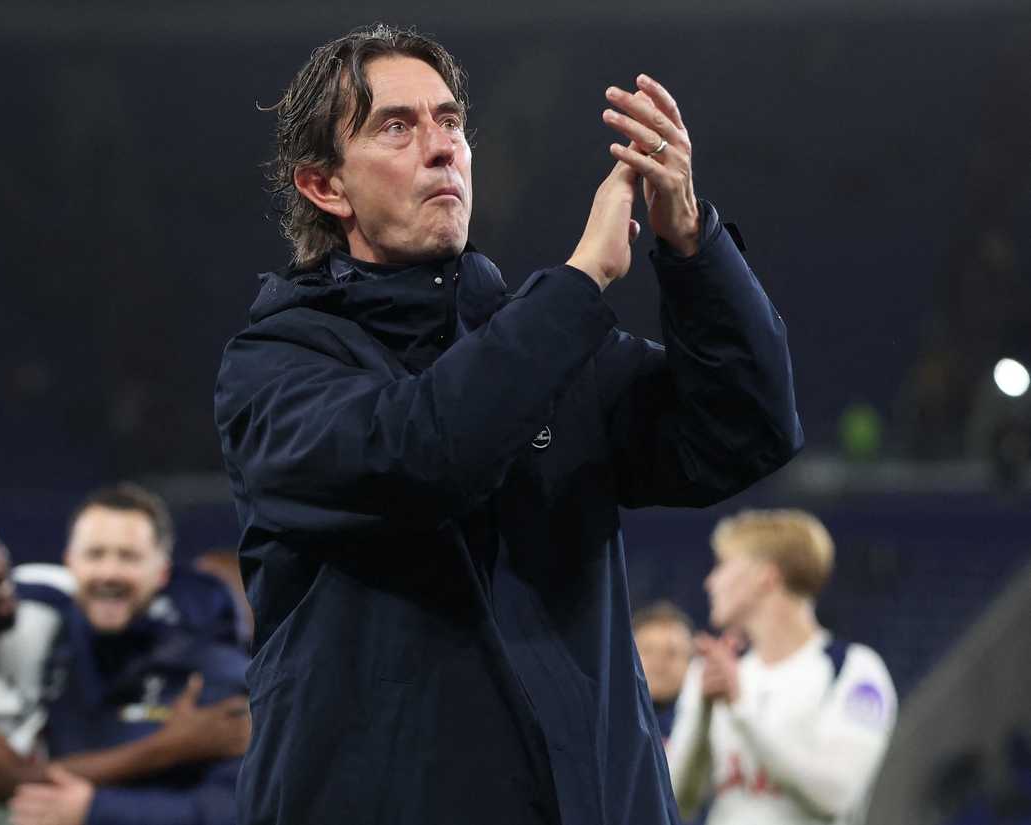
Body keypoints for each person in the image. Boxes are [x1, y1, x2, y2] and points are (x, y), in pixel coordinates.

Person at [212, 23, 802, 825]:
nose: (441, 147)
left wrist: (691, 243)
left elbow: (748, 428)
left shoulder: (541, 340)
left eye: (450, 122)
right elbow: (425, 453)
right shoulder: (276, 364)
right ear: (325, 187)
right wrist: (585, 277)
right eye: (397, 125)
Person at [0, 497, 249, 825]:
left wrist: (225, 609)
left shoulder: (39, 595)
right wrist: (173, 745)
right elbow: (20, 786)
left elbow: (138, 599)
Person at [9, 483, 247, 825]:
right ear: (69, 563)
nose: (109, 573)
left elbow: (236, 811)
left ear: (161, 571)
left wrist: (95, 811)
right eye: (95, 554)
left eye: (128, 557)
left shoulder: (214, 667)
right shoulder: (39, 646)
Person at [668, 510, 896, 824]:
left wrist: (742, 707)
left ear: (766, 576)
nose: (710, 582)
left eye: (722, 565)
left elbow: (835, 795)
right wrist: (704, 713)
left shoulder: (854, 670)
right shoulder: (713, 673)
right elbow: (675, 805)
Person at [635, 600, 696, 737]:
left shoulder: (710, 727)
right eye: (647, 651)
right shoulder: (607, 722)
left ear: (691, 661)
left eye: (671, 653)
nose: (658, 664)